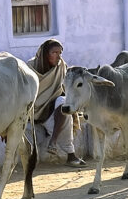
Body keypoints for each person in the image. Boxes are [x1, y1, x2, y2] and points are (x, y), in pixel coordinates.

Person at [27, 39, 86, 167]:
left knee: (63, 103)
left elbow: (65, 89)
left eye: (60, 52)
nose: (59, 56)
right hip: (32, 112)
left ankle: (69, 154)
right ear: (45, 54)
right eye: (55, 52)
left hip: (50, 110)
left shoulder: (61, 66)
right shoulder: (29, 68)